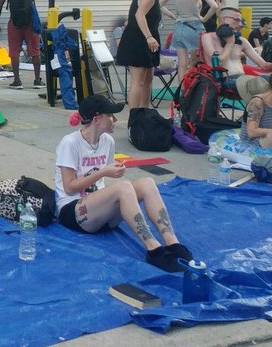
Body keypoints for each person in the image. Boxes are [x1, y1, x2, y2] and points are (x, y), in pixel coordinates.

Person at [54, 94, 192, 273]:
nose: (115, 119)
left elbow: (102, 180)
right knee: (124, 187)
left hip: (100, 211)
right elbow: (69, 187)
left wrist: (111, 172)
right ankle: (153, 249)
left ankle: (173, 244)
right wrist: (104, 172)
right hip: (73, 212)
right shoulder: (70, 143)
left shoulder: (107, 141)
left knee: (147, 183)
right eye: (110, 115)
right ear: (97, 119)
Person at [116, 0, 175, 110]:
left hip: (145, 41)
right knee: (138, 81)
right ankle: (134, 118)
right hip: (138, 41)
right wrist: (149, 37)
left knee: (148, 80)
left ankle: (145, 111)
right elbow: (139, 14)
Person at [0, 0, 51, 90]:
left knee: (14, 52)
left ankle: (17, 81)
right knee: (35, 51)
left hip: (14, 23)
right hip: (31, 23)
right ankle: (37, 80)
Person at [160, 0, 219, 84]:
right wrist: (204, 19)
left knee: (181, 64)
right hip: (194, 27)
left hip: (179, 28)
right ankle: (190, 89)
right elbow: (214, 6)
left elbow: (159, 3)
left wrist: (172, 15)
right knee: (194, 62)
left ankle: (182, 91)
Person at [199, 8, 272, 91]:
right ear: (223, 20)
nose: (240, 24)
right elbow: (218, 62)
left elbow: (263, 65)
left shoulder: (241, 41)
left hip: (243, 78)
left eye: (240, 21)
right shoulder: (208, 37)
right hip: (223, 81)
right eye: (236, 20)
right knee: (263, 83)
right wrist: (230, 43)